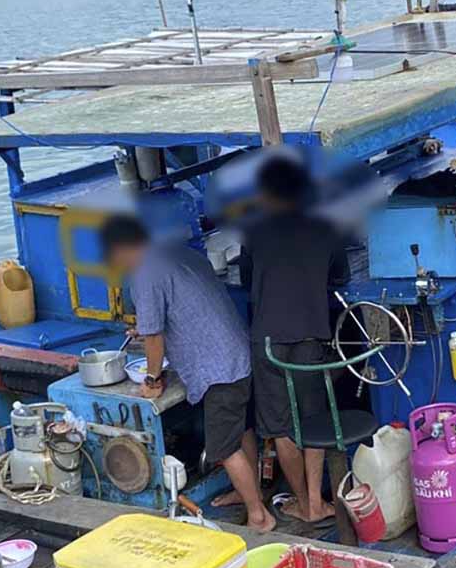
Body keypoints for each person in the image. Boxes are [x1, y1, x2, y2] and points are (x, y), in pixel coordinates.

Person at [101, 214, 274, 532]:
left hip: (217, 367)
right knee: (242, 429)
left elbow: (154, 337)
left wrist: (152, 379)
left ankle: (260, 516)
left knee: (223, 446)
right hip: (237, 352)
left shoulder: (144, 273)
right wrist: (147, 330)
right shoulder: (177, 252)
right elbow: (181, 307)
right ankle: (249, 492)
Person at [215, 154, 349, 525]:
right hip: (311, 332)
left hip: (269, 339)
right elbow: (340, 275)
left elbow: (244, 279)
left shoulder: (255, 227)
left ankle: (303, 503)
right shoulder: (326, 225)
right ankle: (316, 503)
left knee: (280, 426)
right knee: (313, 418)